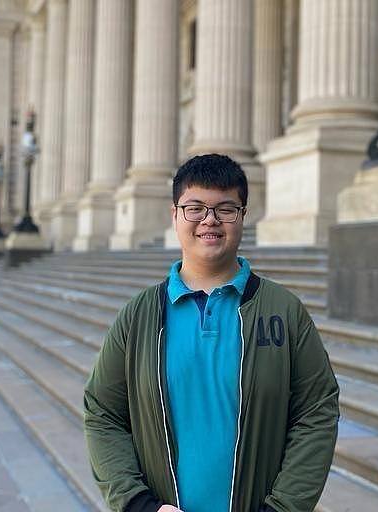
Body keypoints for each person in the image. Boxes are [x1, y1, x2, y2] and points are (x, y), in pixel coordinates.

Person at [84, 153, 340, 512]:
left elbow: (316, 411)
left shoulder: (283, 311)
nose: (210, 220)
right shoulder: (139, 316)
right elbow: (103, 413)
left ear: (243, 216)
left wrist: (284, 507)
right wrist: (136, 504)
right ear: (174, 215)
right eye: (195, 208)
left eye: (226, 208)